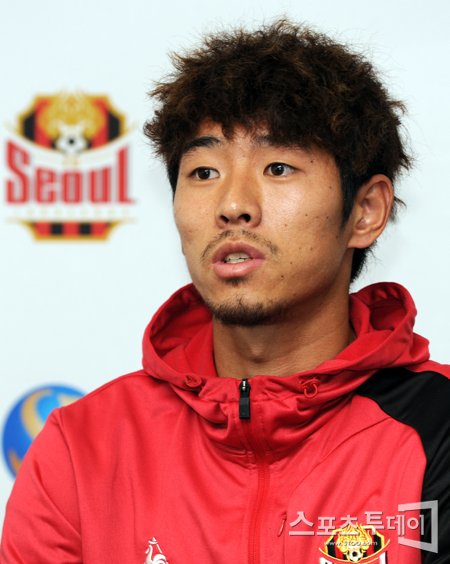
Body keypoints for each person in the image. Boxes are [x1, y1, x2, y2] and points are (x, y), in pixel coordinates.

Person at [1, 19, 450, 564]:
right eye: (204, 172)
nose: (233, 205)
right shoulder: (82, 447)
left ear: (365, 211)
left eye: (278, 167)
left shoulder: (437, 426)